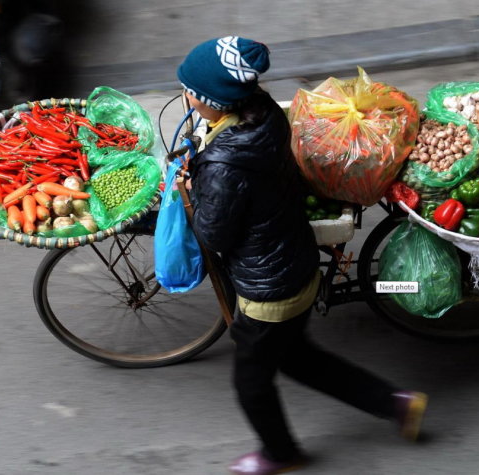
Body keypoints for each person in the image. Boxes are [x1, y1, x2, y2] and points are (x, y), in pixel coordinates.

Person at [177, 35, 428, 475]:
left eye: (190, 90)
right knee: (298, 357)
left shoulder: (223, 166)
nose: (186, 95)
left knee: (251, 382)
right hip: (296, 260)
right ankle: (397, 405)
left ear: (209, 101)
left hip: (267, 291)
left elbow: (213, 234)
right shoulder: (266, 115)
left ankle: (279, 453)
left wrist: (192, 193)